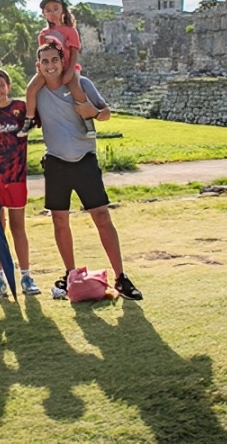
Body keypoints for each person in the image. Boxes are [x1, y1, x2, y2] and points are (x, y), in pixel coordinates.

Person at [33, 42, 142, 301]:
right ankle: (70, 275)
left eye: (54, 60)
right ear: (39, 66)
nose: (50, 66)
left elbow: (106, 113)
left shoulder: (82, 84)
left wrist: (91, 111)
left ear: (63, 61)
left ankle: (120, 277)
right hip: (56, 162)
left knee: (102, 216)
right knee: (60, 221)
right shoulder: (36, 91)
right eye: (44, 61)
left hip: (84, 160)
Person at [0, 67, 40, 298]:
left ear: (8, 86)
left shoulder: (21, 108)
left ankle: (26, 276)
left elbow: (43, 119)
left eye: (1, 85)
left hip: (17, 177)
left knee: (18, 227)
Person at [19, 0, 96, 139]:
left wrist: (70, 71)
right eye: (48, 10)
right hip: (50, 69)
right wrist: (41, 69)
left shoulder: (70, 31)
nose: (52, 13)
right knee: (31, 88)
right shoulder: (43, 34)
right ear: (43, 14)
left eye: (55, 9)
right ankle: (29, 119)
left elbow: (74, 52)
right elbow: (43, 54)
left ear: (63, 11)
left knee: (76, 89)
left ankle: (88, 121)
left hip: (68, 67)